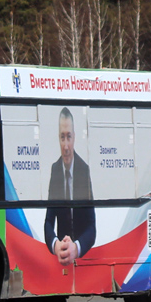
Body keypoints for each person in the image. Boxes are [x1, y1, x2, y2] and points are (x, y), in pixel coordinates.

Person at [43, 107, 95, 266]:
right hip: (59, 262)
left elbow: (92, 227)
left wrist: (76, 248)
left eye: (69, 137)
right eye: (62, 137)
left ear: (75, 138)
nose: (66, 146)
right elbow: (48, 221)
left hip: (83, 261)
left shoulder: (84, 170)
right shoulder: (55, 170)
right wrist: (55, 245)